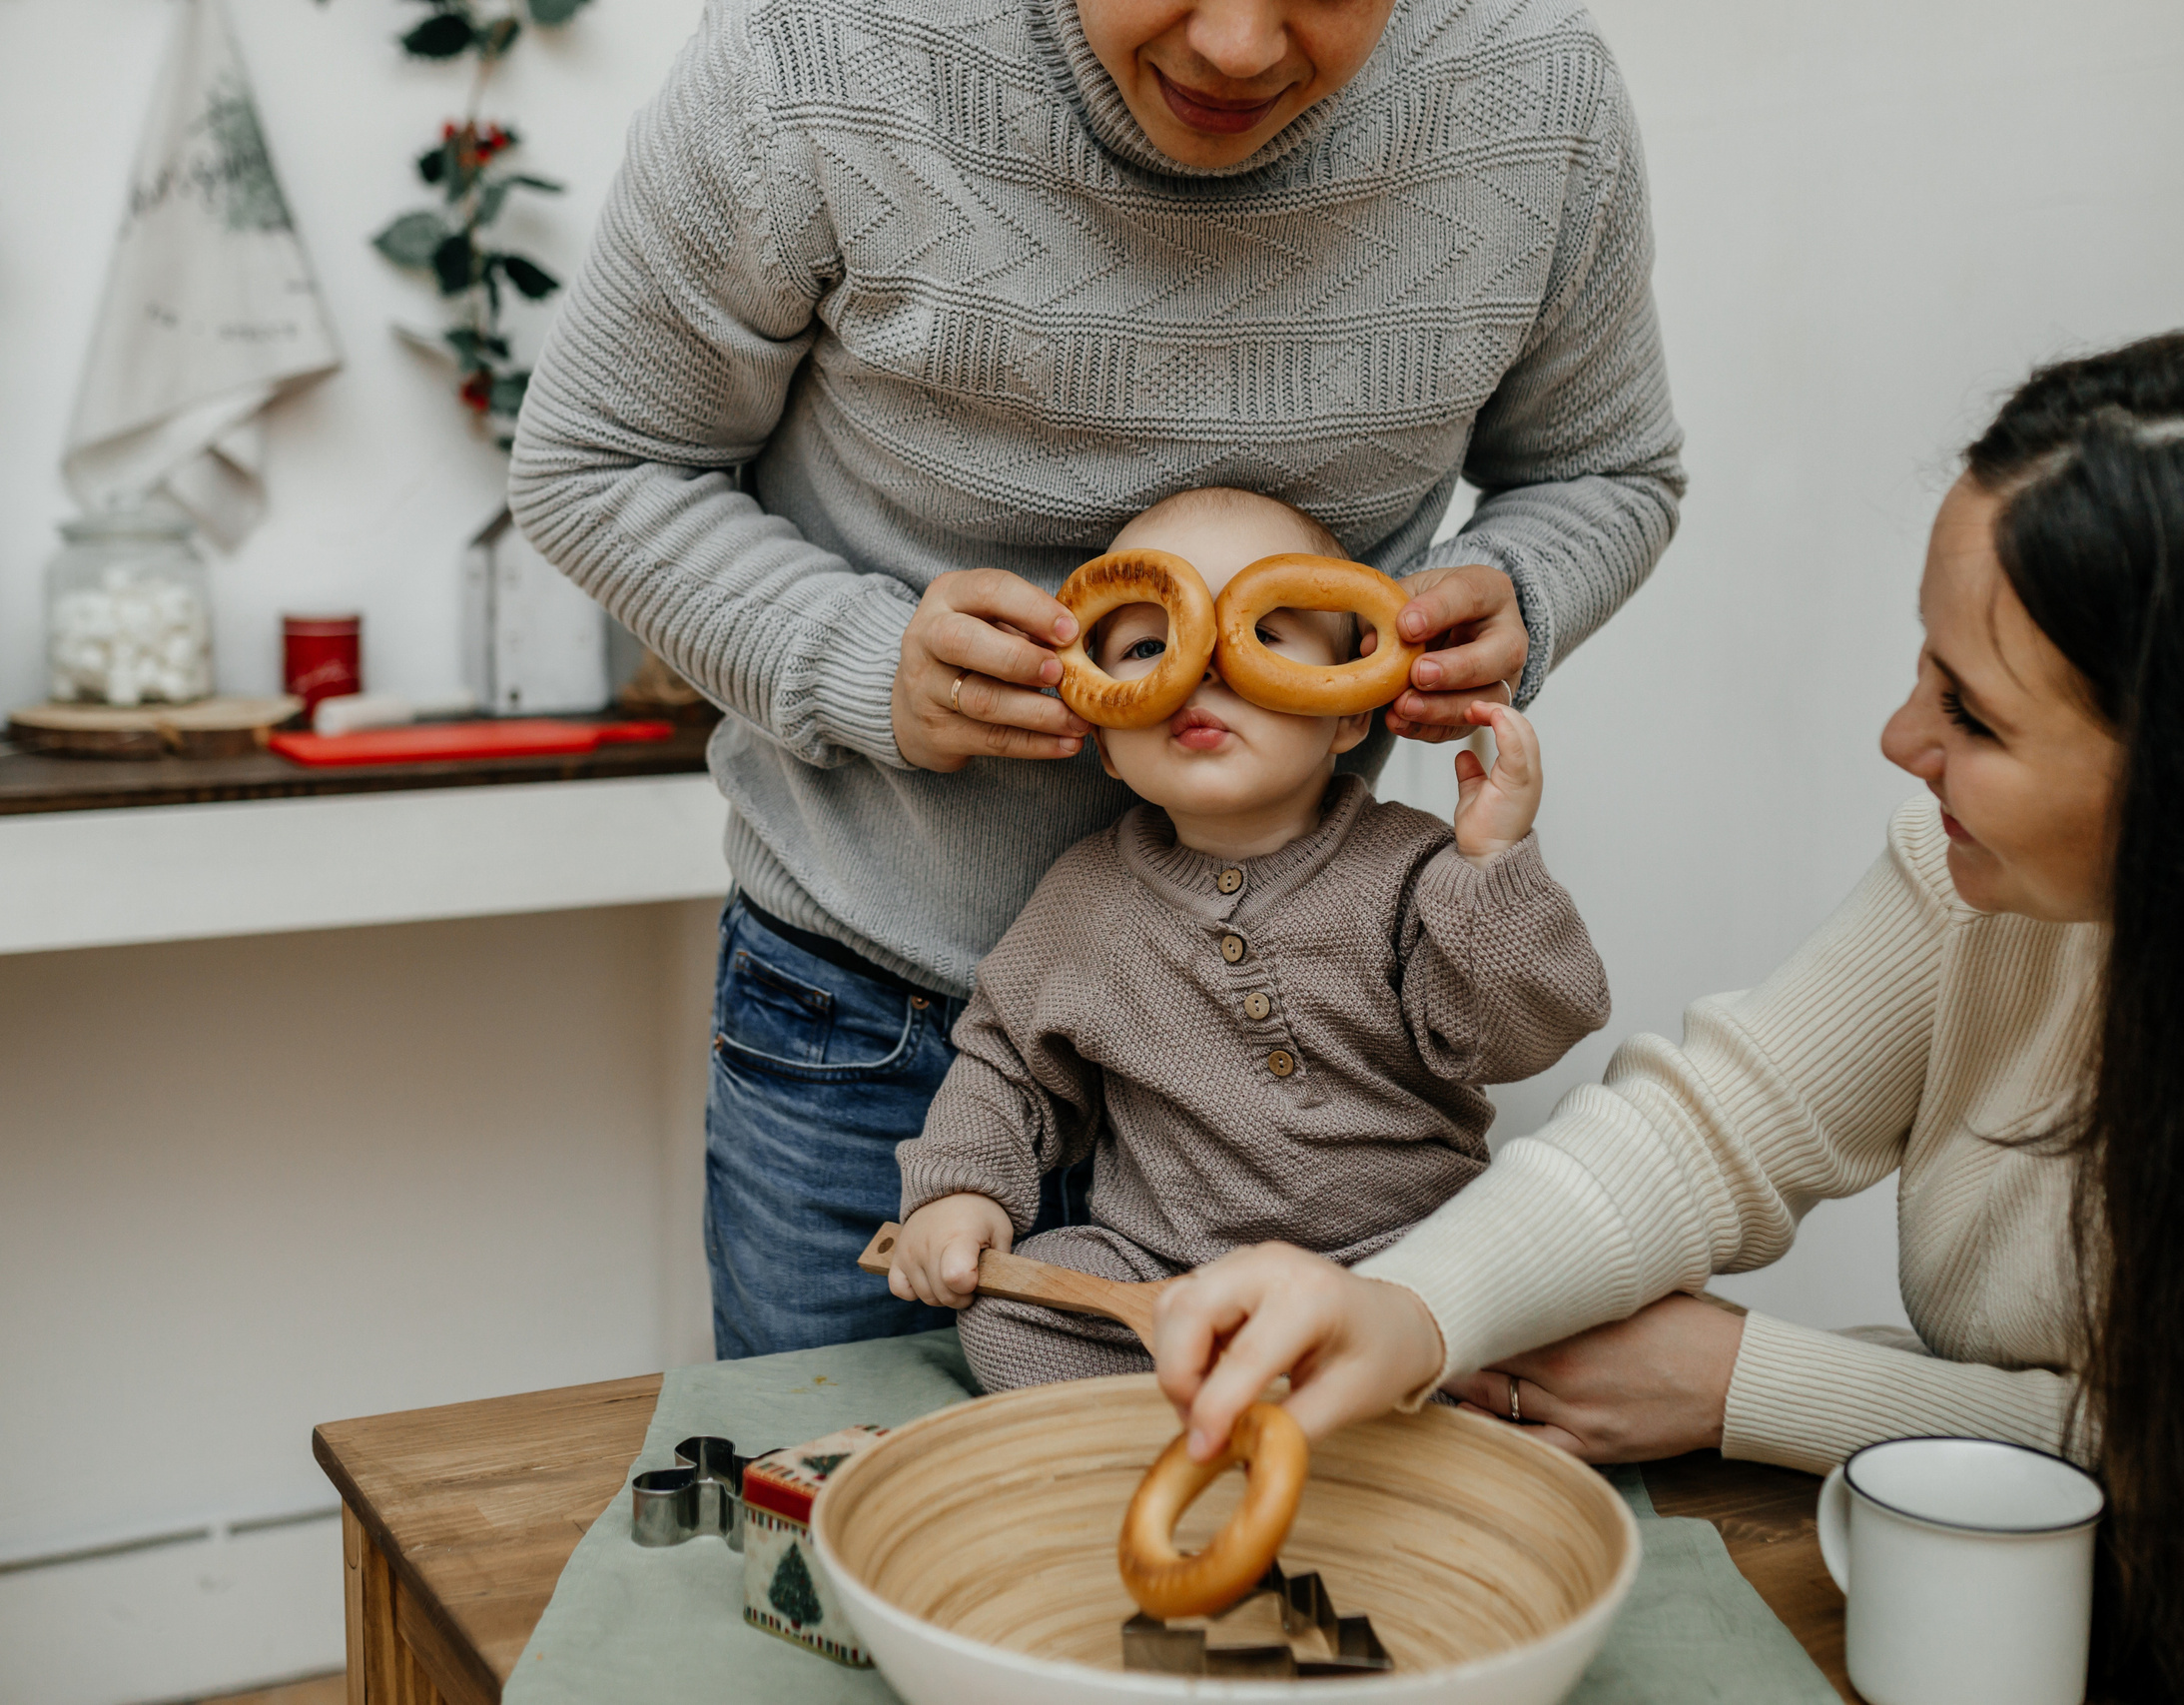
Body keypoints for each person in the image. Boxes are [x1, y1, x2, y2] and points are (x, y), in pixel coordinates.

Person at [1149, 327, 2184, 1704]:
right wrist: (1410, 1308)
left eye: (1975, 716)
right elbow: (1715, 1127)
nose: (1901, 738)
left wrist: (1754, 1381)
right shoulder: (1970, 881)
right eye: (1924, 668)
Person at [507, 0, 1683, 1358]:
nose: (1238, 48)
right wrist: (865, 662)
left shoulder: (1537, 94)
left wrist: (1518, 589)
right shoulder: (813, 57)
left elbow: (1608, 469)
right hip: (875, 1026)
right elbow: (595, 462)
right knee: (850, 1476)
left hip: (1300, 1125)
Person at [886, 487, 1608, 1389]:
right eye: (1149, 647)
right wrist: (961, 1189)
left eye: (1265, 636)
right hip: (1170, 1271)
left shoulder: (1416, 867)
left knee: (1550, 1290)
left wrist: (1491, 863)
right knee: (1010, 1316)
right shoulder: (1081, 901)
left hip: (1406, 1261)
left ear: (1351, 708)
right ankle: (1220, 1414)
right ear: (1104, 730)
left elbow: (1519, 1038)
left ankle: (1365, 1392)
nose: (1202, 672)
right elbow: (1006, 1066)